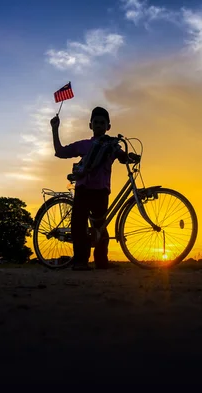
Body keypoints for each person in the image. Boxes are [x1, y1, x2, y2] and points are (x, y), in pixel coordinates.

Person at [50, 106, 140, 270]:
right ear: (90, 125)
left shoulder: (112, 146)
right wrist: (55, 129)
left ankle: (101, 262)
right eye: (96, 122)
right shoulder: (83, 145)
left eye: (102, 123)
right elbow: (60, 151)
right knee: (79, 225)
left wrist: (131, 157)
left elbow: (122, 157)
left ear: (108, 126)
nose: (99, 125)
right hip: (83, 189)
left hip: (101, 191)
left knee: (100, 226)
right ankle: (80, 261)